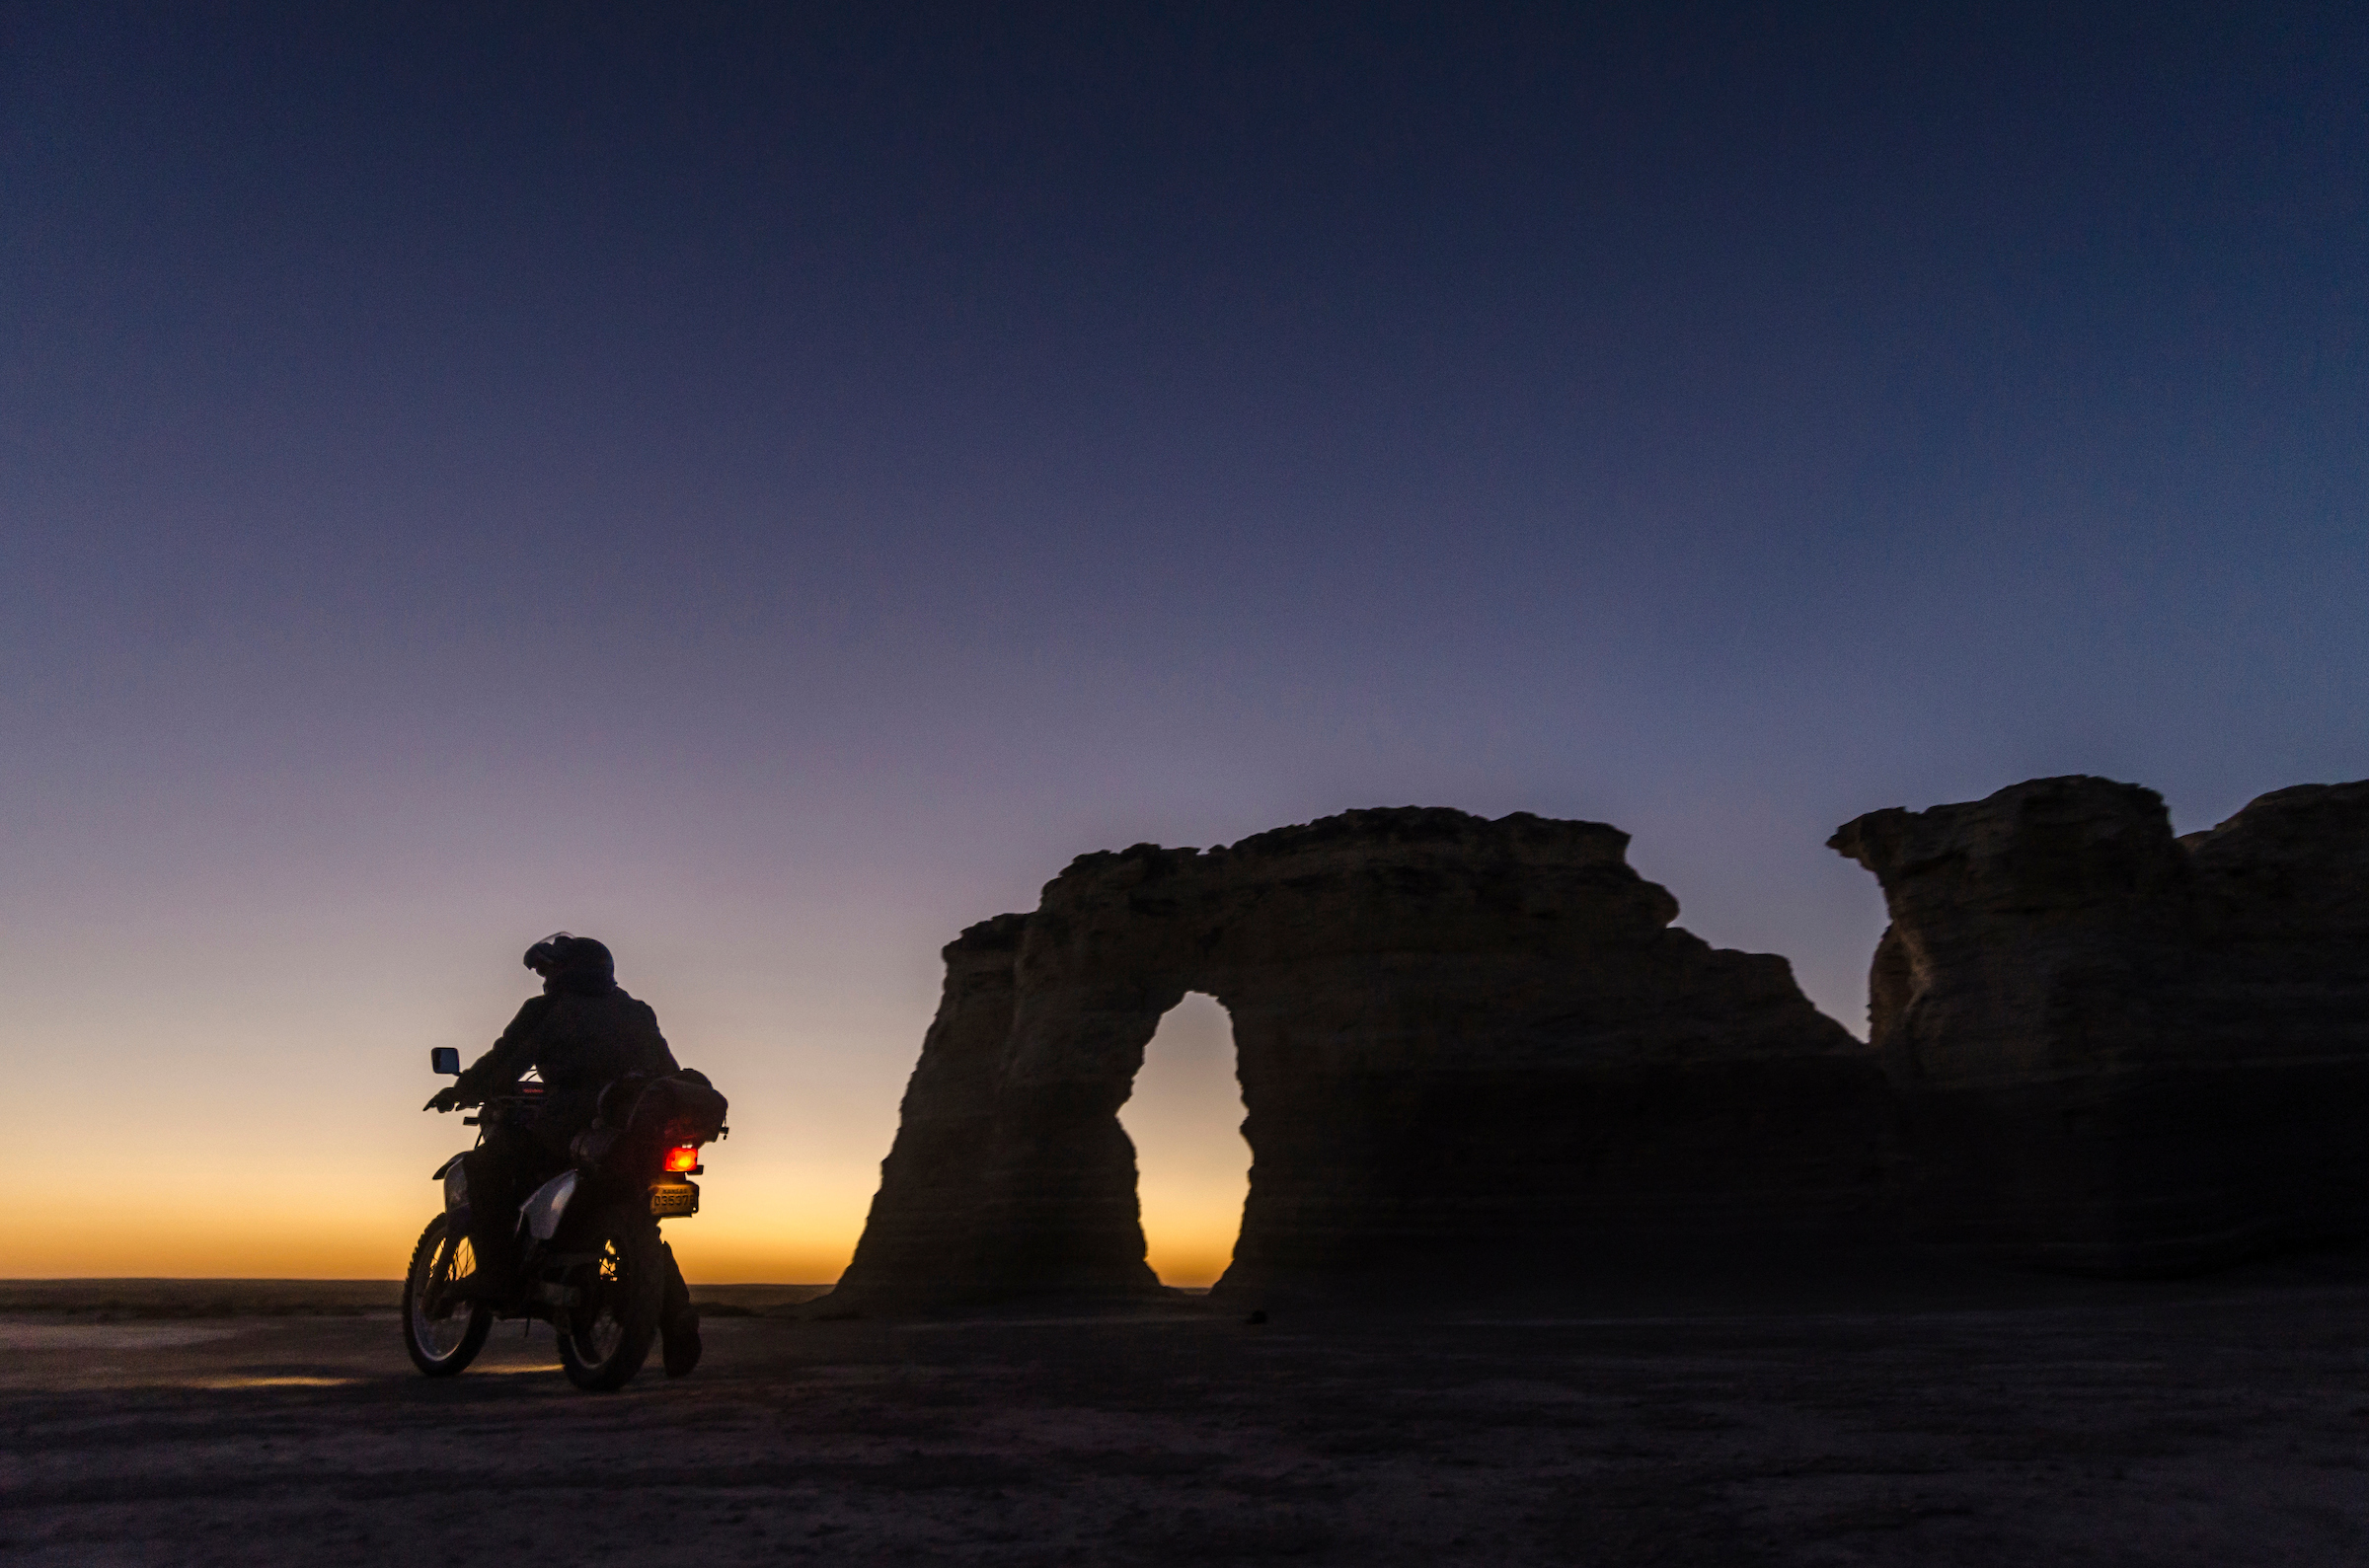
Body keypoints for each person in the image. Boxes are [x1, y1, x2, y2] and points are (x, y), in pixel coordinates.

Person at [424, 932, 702, 1376]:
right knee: (639, 1220)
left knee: (484, 1167)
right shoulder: (636, 1012)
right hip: (629, 1134)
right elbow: (666, 1071)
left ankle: (495, 1275)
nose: (545, 980)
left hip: (566, 1126)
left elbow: (505, 1060)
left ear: (563, 972)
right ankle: (678, 1315)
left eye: (550, 971)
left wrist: (463, 1089)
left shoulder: (548, 1010)